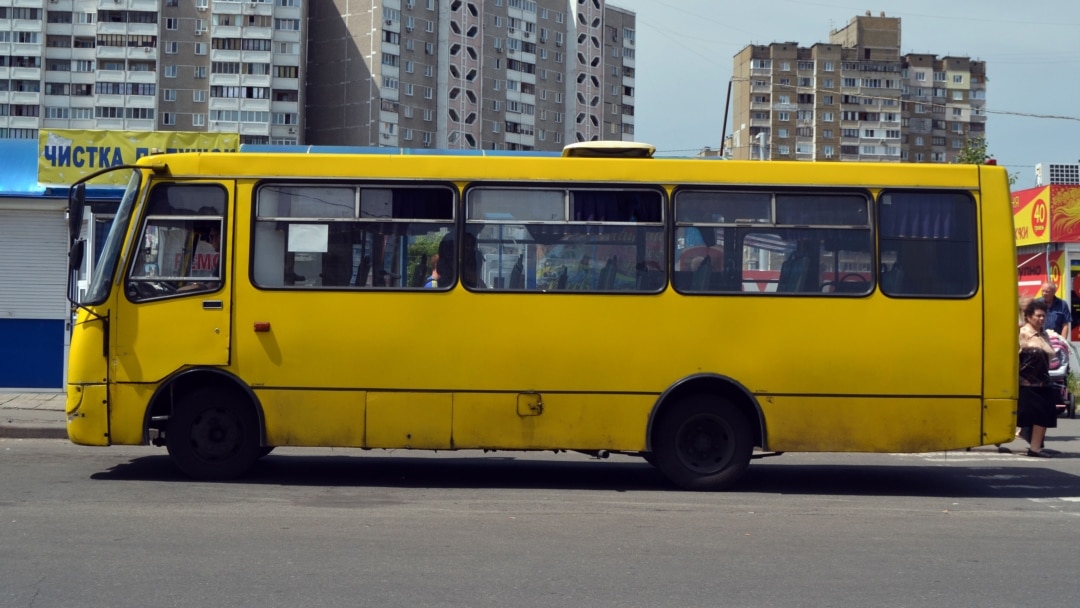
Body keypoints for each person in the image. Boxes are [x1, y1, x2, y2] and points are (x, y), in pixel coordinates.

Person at [1017, 298, 1058, 458]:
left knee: (1044, 417)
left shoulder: (1044, 334)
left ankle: (1035, 449)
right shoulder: (1022, 333)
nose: (1041, 319)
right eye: (1038, 316)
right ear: (1028, 316)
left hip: (1043, 382)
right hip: (1025, 383)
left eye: (1043, 316)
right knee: (1020, 416)